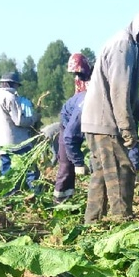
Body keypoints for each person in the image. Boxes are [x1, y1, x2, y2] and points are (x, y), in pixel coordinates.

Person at [80, 8, 139, 223]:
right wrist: (129, 132)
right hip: (106, 123)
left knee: (102, 175)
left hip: (97, 122)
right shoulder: (124, 45)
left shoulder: (128, 45)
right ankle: (122, 224)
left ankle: (92, 225)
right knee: (122, 173)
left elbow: (126, 93)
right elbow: (119, 93)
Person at [0, 70, 39, 185]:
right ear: (11, 84)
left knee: (8, 171)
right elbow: (19, 120)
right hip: (17, 142)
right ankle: (35, 193)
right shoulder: (10, 97)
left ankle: (9, 196)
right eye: (16, 85)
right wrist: (34, 118)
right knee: (30, 169)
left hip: (1, 143)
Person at [55, 53, 92, 203]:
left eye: (78, 72)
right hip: (70, 122)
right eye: (74, 73)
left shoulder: (93, 80)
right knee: (66, 165)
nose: (76, 77)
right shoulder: (81, 87)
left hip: (87, 119)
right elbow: (69, 136)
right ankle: (60, 202)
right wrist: (78, 162)